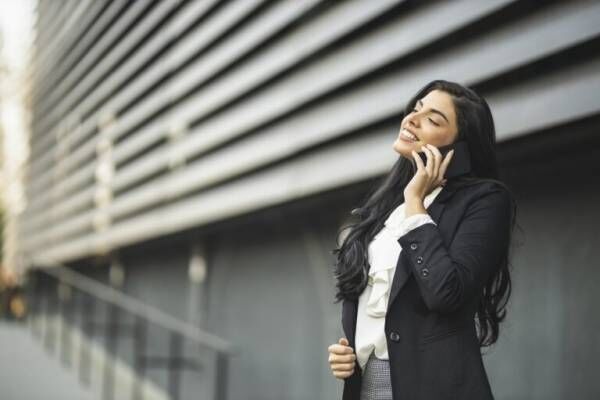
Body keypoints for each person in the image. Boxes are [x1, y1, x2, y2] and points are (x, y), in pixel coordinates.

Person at [327, 80, 518, 400]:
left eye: (433, 119)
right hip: (367, 387)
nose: (411, 120)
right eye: (415, 109)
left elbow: (446, 293)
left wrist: (416, 204)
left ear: (460, 146)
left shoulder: (485, 201)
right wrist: (350, 353)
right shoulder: (383, 208)